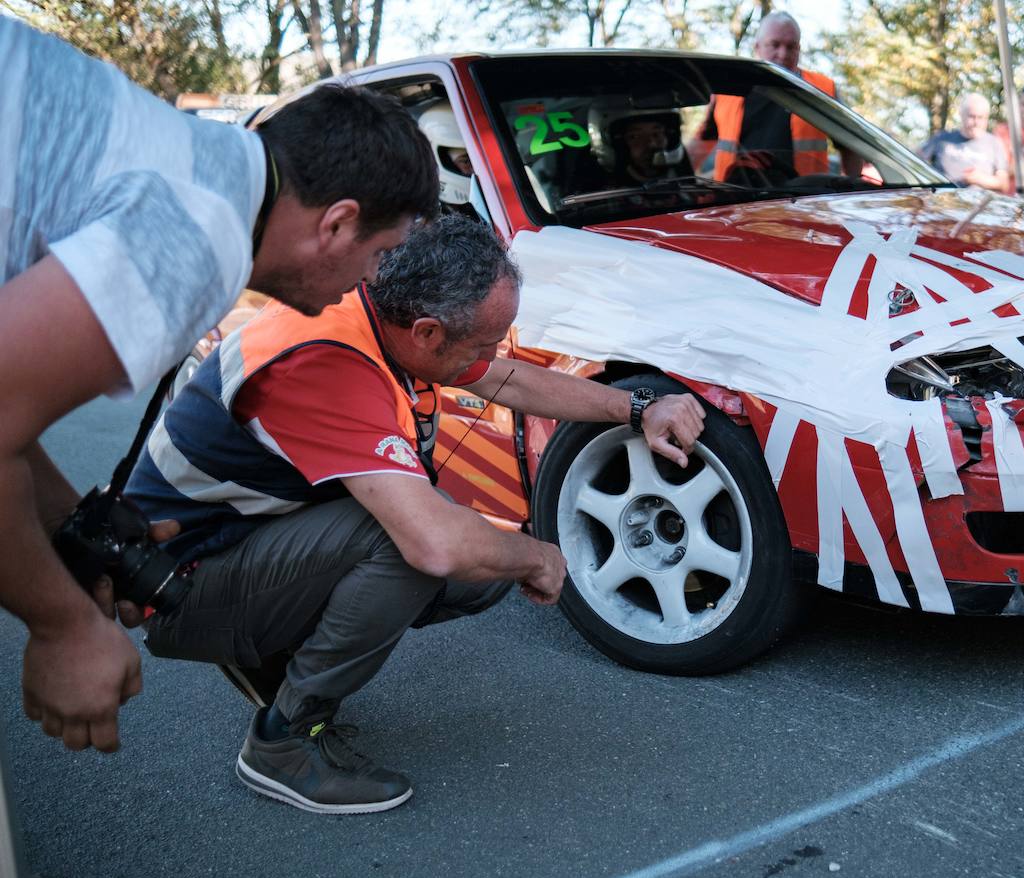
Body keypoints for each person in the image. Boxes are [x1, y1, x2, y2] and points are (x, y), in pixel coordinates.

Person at [124, 215, 706, 814]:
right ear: (428, 333)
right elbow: (434, 545)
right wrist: (536, 553)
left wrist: (638, 407)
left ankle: (274, 663)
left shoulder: (379, 304)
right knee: (415, 547)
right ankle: (283, 745)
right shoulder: (326, 366)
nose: (489, 357)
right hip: (177, 586)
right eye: (481, 343)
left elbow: (506, 378)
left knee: (471, 566)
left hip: (233, 545)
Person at [0, 18, 438, 755]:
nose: (372, 281)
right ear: (337, 223)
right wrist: (62, 627)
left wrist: (79, 530)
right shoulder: (199, 232)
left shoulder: (192, 163)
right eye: (380, 253)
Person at [694, 12, 861, 182]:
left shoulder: (822, 89)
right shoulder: (727, 90)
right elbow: (701, 144)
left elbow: (852, 144)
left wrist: (853, 190)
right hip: (735, 200)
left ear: (799, 49)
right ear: (757, 47)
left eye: (791, 46)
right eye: (775, 45)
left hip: (802, 201)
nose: (783, 54)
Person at [920, 94, 1010, 193]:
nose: (976, 122)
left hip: (979, 203)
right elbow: (915, 163)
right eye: (972, 116)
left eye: (981, 118)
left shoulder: (994, 143)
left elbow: (1004, 184)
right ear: (961, 115)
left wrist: (980, 179)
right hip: (942, 200)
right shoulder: (941, 138)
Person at [417, 101, 480, 220]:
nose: (476, 168)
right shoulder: (429, 225)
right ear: (437, 160)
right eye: (466, 161)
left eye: (478, 159)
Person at [602, 110, 694, 186]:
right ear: (620, 145)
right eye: (635, 136)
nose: (651, 144)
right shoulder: (607, 194)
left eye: (656, 134)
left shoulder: (682, 178)